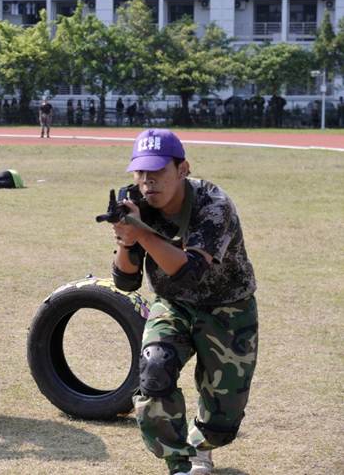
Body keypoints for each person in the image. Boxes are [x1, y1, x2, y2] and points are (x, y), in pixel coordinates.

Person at [110, 129, 258, 475]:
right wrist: (125, 239)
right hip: (173, 304)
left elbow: (189, 271)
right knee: (155, 368)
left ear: (183, 169)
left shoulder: (213, 204)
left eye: (158, 172)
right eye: (141, 173)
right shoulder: (135, 204)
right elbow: (126, 280)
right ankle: (179, 464)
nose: (148, 182)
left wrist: (141, 232)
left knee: (224, 418)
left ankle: (201, 444)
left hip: (228, 307)